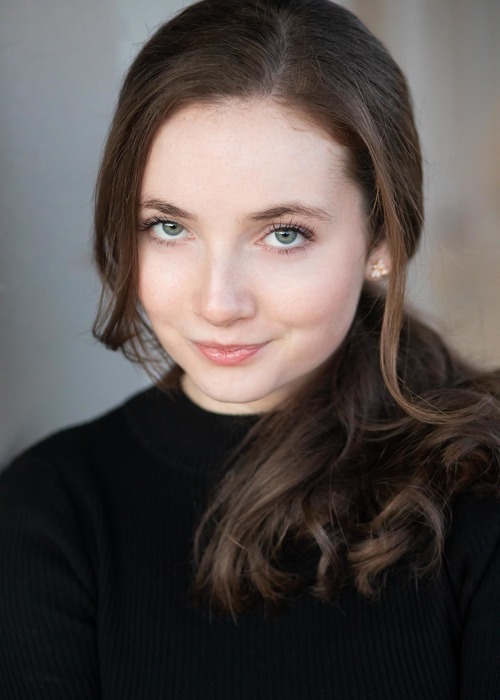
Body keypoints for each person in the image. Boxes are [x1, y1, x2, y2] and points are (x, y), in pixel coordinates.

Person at [0, 0, 499, 697]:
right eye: (169, 227)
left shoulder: (482, 490)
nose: (218, 303)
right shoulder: (50, 508)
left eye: (284, 234)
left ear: (382, 239)